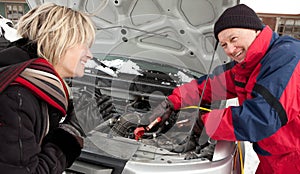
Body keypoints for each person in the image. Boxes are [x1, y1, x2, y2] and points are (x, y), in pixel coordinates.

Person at [149, 4, 300, 174]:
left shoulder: (288, 58)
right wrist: (173, 101)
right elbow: (211, 85)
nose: (230, 50)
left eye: (233, 39)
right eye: (224, 45)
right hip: (275, 157)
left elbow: (262, 117)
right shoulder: (249, 65)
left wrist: (205, 123)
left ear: (255, 29)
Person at [0, 3, 95, 173]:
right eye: (84, 45)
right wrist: (71, 133)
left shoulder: (36, 85)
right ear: (59, 42)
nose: (89, 55)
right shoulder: (16, 98)